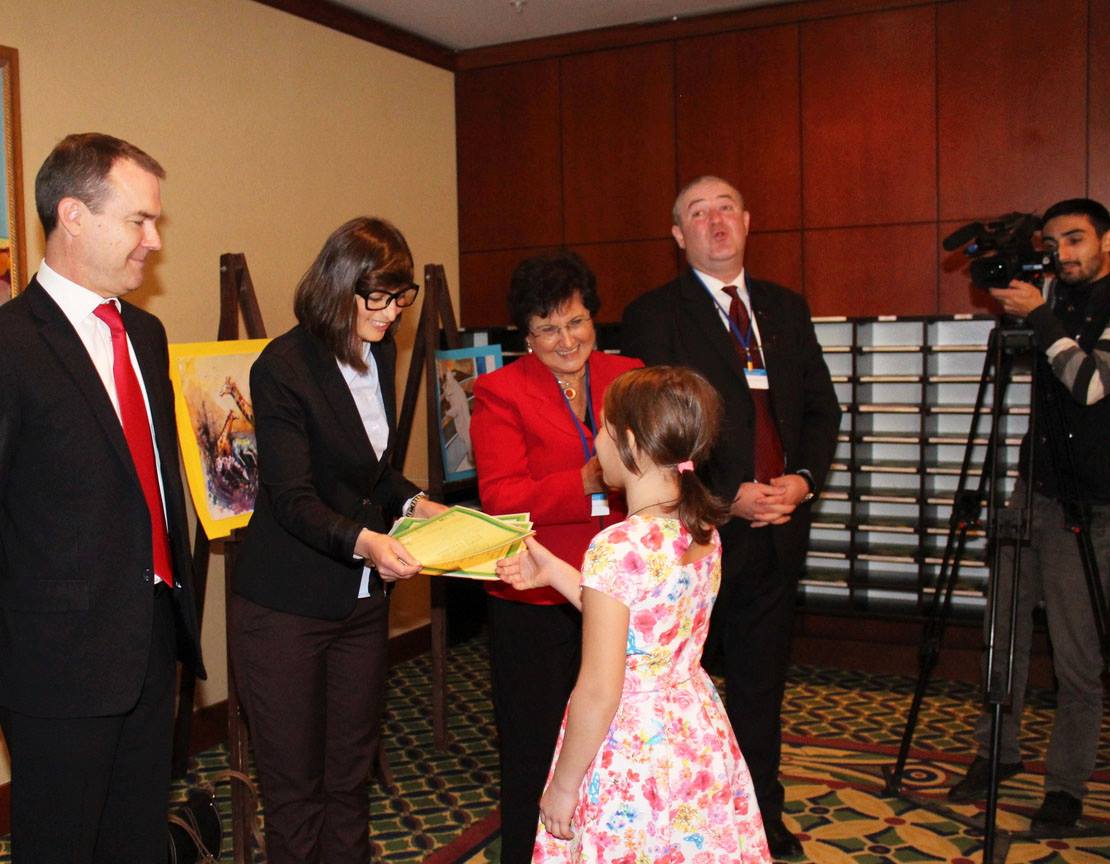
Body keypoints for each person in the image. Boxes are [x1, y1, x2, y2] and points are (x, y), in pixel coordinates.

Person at [621, 175, 840, 860]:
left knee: (759, 689)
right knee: (675, 689)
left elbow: (820, 409)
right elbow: (653, 426)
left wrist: (802, 482)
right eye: (697, 213)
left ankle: (760, 816)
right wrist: (725, 493)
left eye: (725, 209)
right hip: (697, 533)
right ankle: (679, 820)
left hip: (777, 531)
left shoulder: (785, 307)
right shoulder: (653, 315)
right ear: (677, 235)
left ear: (747, 221)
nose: (715, 222)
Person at [0, 133, 204, 862]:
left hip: (151, 641)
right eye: (139, 220)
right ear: (73, 216)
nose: (154, 241)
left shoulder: (145, 333)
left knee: (135, 841)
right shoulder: (10, 345)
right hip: (54, 665)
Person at [229, 216, 447, 864]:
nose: (391, 312)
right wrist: (369, 542)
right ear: (337, 285)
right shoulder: (284, 367)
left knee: (350, 782)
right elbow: (291, 498)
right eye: (377, 297)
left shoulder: (380, 350)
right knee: (295, 794)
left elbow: (369, 470)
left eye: (400, 297)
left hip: (360, 604)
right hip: (285, 608)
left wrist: (415, 503)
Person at [496, 366, 771, 862]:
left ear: (628, 442)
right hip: (692, 730)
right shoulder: (701, 528)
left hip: (633, 743)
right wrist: (556, 572)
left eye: (601, 429)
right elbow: (641, 627)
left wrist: (563, 786)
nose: (595, 440)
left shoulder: (618, 546)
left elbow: (600, 689)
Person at [947, 198, 1110, 830]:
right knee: (1001, 632)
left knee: (1077, 657)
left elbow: (1091, 383)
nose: (1064, 253)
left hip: (1090, 502)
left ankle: (1066, 787)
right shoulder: (1056, 296)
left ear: (1108, 239)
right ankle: (996, 753)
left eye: (1076, 239)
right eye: (1054, 243)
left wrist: (1040, 315)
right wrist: (1029, 313)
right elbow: (1029, 364)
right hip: (1032, 488)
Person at [469, 250, 641, 863]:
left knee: (615, 738)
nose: (566, 340)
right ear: (525, 334)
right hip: (535, 593)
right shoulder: (498, 392)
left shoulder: (630, 376)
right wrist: (586, 481)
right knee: (534, 748)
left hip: (617, 587)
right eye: (547, 328)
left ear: (594, 318)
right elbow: (502, 498)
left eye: (576, 322)